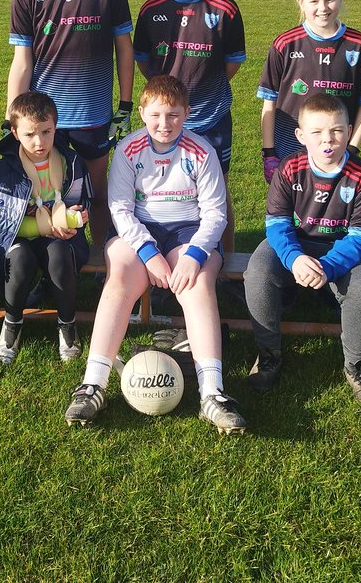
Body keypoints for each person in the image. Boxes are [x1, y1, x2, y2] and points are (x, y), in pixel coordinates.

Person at [65, 75, 247, 434]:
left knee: (196, 284)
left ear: (187, 113)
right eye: (156, 115)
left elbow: (215, 213)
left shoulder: (202, 152)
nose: (165, 124)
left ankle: (213, 394)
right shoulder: (129, 149)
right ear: (143, 113)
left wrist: (195, 255)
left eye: (174, 115)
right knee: (119, 279)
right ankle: (92, 385)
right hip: (139, 230)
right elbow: (119, 206)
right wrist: (148, 253)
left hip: (187, 233)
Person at [6, 0, 133, 246]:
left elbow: (124, 48)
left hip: (93, 113)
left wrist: (124, 106)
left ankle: (104, 258)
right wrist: (13, 116)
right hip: (46, 119)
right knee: (42, 195)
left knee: (98, 191)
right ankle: (47, 268)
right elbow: (22, 60)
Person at [243, 93, 361, 408]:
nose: (328, 140)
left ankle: (356, 365)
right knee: (257, 273)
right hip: (294, 242)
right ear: (301, 136)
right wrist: (294, 259)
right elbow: (277, 225)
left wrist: (327, 267)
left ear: (349, 131)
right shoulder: (290, 168)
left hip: (341, 248)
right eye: (317, 132)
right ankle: (269, 354)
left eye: (336, 131)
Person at [133, 0, 245, 254]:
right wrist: (170, 102)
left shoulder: (225, 9)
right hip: (164, 121)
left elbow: (231, 64)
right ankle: (166, 249)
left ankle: (225, 266)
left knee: (218, 192)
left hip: (210, 118)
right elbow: (143, 61)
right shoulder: (152, 9)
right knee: (162, 188)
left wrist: (197, 97)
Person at [0, 91, 90, 365]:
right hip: (21, 235)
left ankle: (67, 325)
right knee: (20, 258)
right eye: (29, 134)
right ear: (15, 133)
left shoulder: (72, 163)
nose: (39, 142)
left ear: (56, 127)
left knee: (59, 255)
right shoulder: (3, 169)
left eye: (46, 131)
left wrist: (76, 219)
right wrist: (46, 227)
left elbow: (79, 204)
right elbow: (4, 223)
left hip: (58, 237)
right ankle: (12, 322)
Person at [256, 0, 361, 184]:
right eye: (314, 1)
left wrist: (352, 148)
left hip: (335, 150)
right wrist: (269, 153)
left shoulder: (359, 45)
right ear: (301, 3)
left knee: (329, 211)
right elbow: (269, 103)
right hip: (290, 148)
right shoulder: (285, 44)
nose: (323, 8)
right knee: (290, 210)